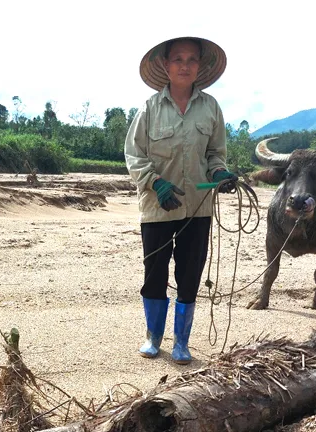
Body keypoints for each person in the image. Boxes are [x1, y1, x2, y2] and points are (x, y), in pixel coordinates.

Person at [124, 36, 236, 364]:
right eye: (177, 59)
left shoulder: (211, 107)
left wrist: (219, 174)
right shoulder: (148, 109)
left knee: (190, 274)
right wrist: (155, 183)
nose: (184, 65)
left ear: (200, 66)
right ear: (165, 65)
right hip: (157, 208)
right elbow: (134, 155)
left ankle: (181, 343)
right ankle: (153, 337)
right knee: (154, 273)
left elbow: (215, 154)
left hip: (197, 209)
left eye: (191, 59)